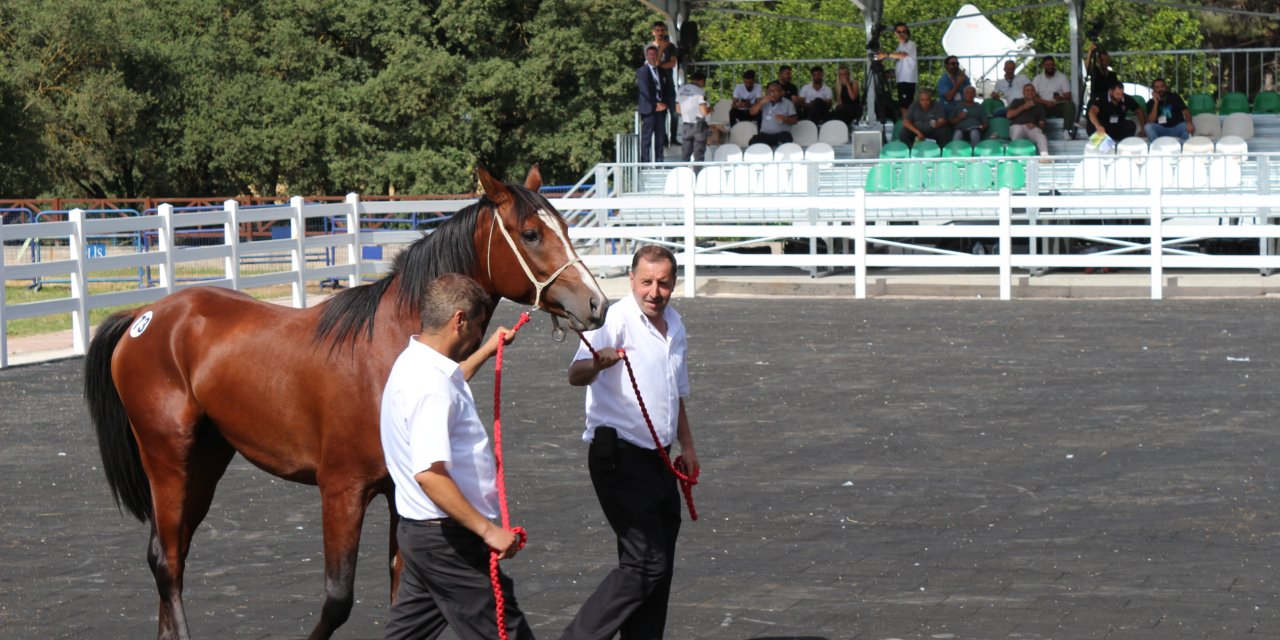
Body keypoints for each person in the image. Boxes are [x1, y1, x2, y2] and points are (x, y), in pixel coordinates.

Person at [380, 273, 533, 640]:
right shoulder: (430, 387)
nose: (479, 335)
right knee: (507, 632)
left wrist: (487, 350)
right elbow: (430, 475)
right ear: (459, 320)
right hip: (448, 541)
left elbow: (452, 381)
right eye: (478, 326)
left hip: (421, 535)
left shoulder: (415, 361)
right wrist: (488, 531)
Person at [560, 245, 699, 640]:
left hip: (660, 459)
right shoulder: (616, 317)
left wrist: (687, 448)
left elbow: (677, 393)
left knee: (659, 568)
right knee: (646, 562)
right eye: (646, 282)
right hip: (618, 456)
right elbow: (575, 373)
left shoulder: (675, 325)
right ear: (632, 280)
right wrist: (597, 363)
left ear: (673, 284)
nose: (655, 292)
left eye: (664, 283)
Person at [875, 22, 918, 117]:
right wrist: (890, 73)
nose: (901, 34)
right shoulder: (899, 46)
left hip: (907, 80)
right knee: (904, 106)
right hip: (902, 80)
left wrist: (885, 54)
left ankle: (906, 127)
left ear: (907, 32)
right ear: (895, 33)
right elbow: (903, 64)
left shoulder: (911, 44)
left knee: (905, 107)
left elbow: (903, 55)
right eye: (899, 32)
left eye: (903, 31)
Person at [636, 44, 670, 163]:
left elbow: (667, 88)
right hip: (649, 109)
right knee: (646, 139)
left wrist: (664, 103)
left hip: (660, 110)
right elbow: (644, 90)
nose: (652, 56)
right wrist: (656, 103)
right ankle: (645, 163)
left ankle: (659, 162)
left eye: (654, 54)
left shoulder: (661, 71)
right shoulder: (642, 71)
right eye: (650, 54)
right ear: (646, 55)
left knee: (660, 138)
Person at [1031, 56, 1078, 139]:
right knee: (1036, 107)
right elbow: (1033, 97)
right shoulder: (1037, 79)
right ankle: (1041, 132)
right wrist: (1046, 102)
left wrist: (1061, 98)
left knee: (1070, 104)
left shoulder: (1062, 77)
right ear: (1043, 66)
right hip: (1044, 106)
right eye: (1047, 65)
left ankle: (1066, 131)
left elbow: (1068, 95)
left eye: (1052, 65)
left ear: (1054, 65)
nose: (1050, 67)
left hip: (1057, 105)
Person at [651, 22, 680, 143]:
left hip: (669, 84)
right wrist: (661, 49)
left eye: (662, 30)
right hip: (657, 86)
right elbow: (653, 64)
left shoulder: (671, 46)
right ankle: (663, 139)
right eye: (657, 30)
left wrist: (660, 65)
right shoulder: (650, 48)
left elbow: (672, 63)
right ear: (653, 32)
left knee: (674, 113)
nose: (660, 33)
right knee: (661, 114)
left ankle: (673, 138)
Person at [748, 81, 798, 148]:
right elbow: (751, 112)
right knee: (753, 141)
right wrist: (761, 102)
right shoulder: (764, 102)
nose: (772, 93)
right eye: (770, 91)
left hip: (781, 134)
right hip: (765, 135)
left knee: (786, 138)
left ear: (781, 93)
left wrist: (784, 118)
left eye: (775, 91)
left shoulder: (788, 103)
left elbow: (795, 121)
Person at [676, 71, 711, 162]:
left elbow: (678, 110)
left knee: (685, 155)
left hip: (686, 125)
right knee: (698, 156)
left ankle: (685, 174)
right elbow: (703, 111)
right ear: (702, 81)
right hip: (698, 126)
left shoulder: (681, 90)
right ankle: (697, 175)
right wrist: (710, 109)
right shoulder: (699, 91)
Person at [1007, 83, 1050, 155]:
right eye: (1027, 90)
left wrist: (1036, 125)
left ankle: (1044, 156)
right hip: (1018, 126)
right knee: (1017, 129)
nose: (1030, 92)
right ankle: (1015, 154)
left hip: (1031, 128)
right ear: (1023, 93)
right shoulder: (1017, 101)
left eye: (1032, 90)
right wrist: (1023, 107)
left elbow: (1042, 123)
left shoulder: (1039, 106)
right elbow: (1009, 115)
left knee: (1041, 136)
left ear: (1035, 93)